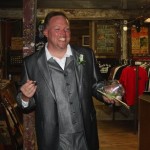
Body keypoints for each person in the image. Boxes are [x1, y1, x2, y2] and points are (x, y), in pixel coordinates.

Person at [16, 11, 114, 150]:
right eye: (57, 29)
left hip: (85, 134)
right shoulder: (31, 63)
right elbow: (24, 103)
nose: (63, 33)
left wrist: (106, 93)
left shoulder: (85, 55)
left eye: (66, 29)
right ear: (45, 32)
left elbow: (95, 84)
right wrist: (25, 96)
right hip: (52, 137)